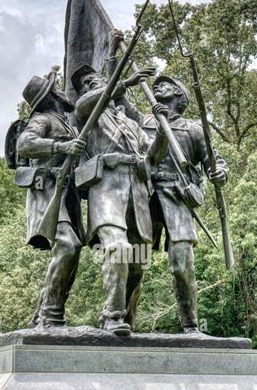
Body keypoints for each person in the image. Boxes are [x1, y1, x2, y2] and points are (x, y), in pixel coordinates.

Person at [118, 71, 228, 333]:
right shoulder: (143, 120)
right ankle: (122, 322)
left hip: (177, 197)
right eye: (156, 85)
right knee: (134, 263)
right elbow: (117, 97)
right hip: (145, 194)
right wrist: (118, 62)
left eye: (165, 85)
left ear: (180, 95)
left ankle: (191, 325)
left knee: (182, 263)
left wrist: (220, 172)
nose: (158, 87)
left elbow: (215, 159)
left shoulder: (193, 129)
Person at [72, 62, 168, 335]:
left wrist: (161, 130)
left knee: (137, 263)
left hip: (136, 192)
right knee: (117, 248)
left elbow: (154, 156)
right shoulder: (87, 114)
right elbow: (91, 102)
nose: (93, 86)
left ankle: (127, 320)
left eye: (96, 81)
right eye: (87, 85)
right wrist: (124, 83)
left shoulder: (130, 123)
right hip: (106, 191)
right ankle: (112, 316)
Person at [14, 71, 85, 327]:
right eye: (56, 88)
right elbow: (24, 143)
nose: (62, 91)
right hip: (46, 191)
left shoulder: (66, 121)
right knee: (68, 246)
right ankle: (51, 316)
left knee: (73, 252)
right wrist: (60, 147)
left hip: (67, 194)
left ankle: (42, 314)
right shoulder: (42, 119)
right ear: (52, 95)